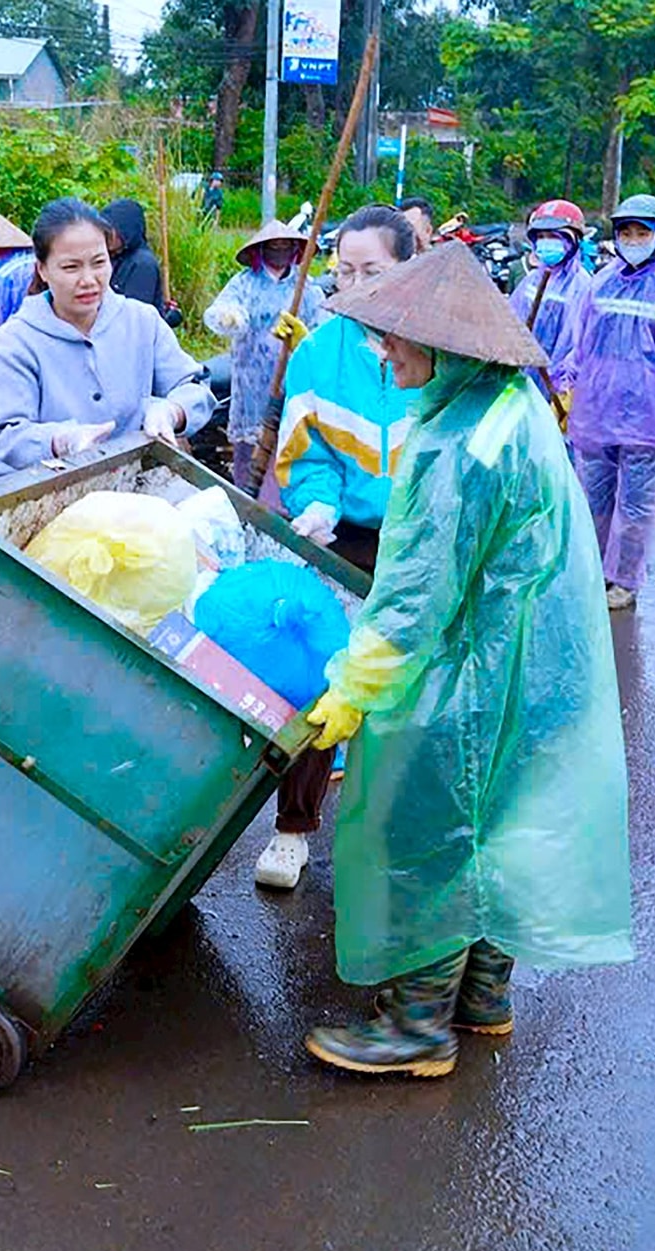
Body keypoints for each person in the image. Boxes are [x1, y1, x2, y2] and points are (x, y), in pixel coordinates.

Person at [299, 242, 632, 1076]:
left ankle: (416, 1028)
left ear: (443, 344)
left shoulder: (458, 445)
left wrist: (355, 686)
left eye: (395, 337)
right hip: (535, 664)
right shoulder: (508, 402)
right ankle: (483, 996)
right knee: (500, 827)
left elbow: (416, 596)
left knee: (430, 833)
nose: (383, 351)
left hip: (475, 672)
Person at [250, 203, 424, 890]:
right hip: (344, 535)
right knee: (322, 676)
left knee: (413, 683)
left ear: (408, 267)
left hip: (421, 536)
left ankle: (400, 832)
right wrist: (316, 501)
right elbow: (306, 451)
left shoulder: (439, 349)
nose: (354, 285)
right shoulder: (320, 352)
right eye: (344, 270)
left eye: (370, 271)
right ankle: (292, 828)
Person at [556, 193, 655, 612]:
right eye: (627, 232)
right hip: (597, 411)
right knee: (593, 499)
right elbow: (580, 344)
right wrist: (568, 388)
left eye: (643, 233)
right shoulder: (600, 285)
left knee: (637, 506)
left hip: (648, 418)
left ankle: (624, 580)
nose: (633, 240)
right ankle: (593, 571)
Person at [0, 198, 215, 474]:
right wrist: (60, 441)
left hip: (133, 479)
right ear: (42, 269)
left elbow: (194, 385)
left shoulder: (142, 321)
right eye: (71, 267)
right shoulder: (16, 340)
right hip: (44, 488)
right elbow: (6, 435)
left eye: (98, 262)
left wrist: (172, 411)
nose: (89, 280)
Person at [202, 220, 324, 499]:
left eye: (285, 246)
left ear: (294, 250)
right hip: (251, 381)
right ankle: (247, 501)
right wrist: (230, 317)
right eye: (273, 246)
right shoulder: (244, 283)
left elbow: (321, 327)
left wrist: (304, 338)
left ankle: (279, 505)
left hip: (291, 380)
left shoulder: (306, 287)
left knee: (288, 443)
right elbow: (224, 308)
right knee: (249, 450)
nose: (279, 250)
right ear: (261, 250)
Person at [509, 198, 592, 404]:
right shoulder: (532, 280)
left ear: (573, 240)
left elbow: (574, 347)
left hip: (555, 391)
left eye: (554, 236)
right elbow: (511, 323)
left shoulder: (582, 286)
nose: (546, 242)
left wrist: (559, 386)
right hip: (520, 383)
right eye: (541, 237)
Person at [101, 198, 179, 324]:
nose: (104, 236)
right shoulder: (113, 256)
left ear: (126, 231)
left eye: (110, 232)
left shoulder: (142, 265)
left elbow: (133, 318)